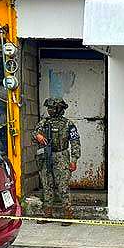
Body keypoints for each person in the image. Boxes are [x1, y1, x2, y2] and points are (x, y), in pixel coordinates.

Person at [32, 97, 81, 226]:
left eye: (52, 108)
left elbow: (75, 142)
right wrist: (38, 136)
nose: (50, 110)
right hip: (46, 157)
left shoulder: (68, 124)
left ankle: (68, 214)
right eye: (48, 108)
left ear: (60, 109)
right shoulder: (44, 123)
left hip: (61, 156)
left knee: (62, 186)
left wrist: (74, 159)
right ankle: (47, 213)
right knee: (47, 185)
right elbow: (34, 134)